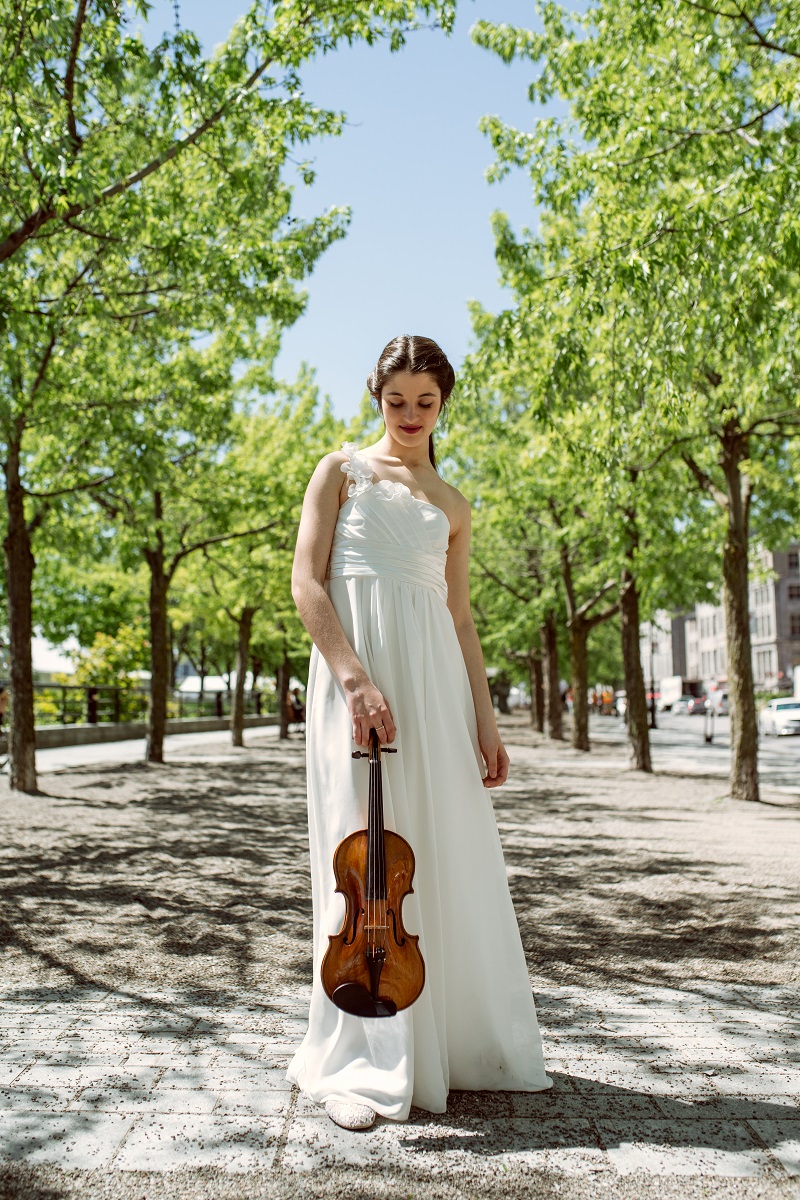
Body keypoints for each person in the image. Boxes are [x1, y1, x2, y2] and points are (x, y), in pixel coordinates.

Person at [287, 335, 551, 1131]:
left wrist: (486, 721)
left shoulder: (454, 504)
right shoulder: (340, 472)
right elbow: (306, 581)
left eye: (424, 402)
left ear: (444, 404)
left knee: (433, 855)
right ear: (376, 396)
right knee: (359, 853)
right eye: (395, 400)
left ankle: (445, 1042)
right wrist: (355, 678)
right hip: (353, 683)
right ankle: (360, 1058)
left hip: (434, 691)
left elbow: (461, 621)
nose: (408, 416)